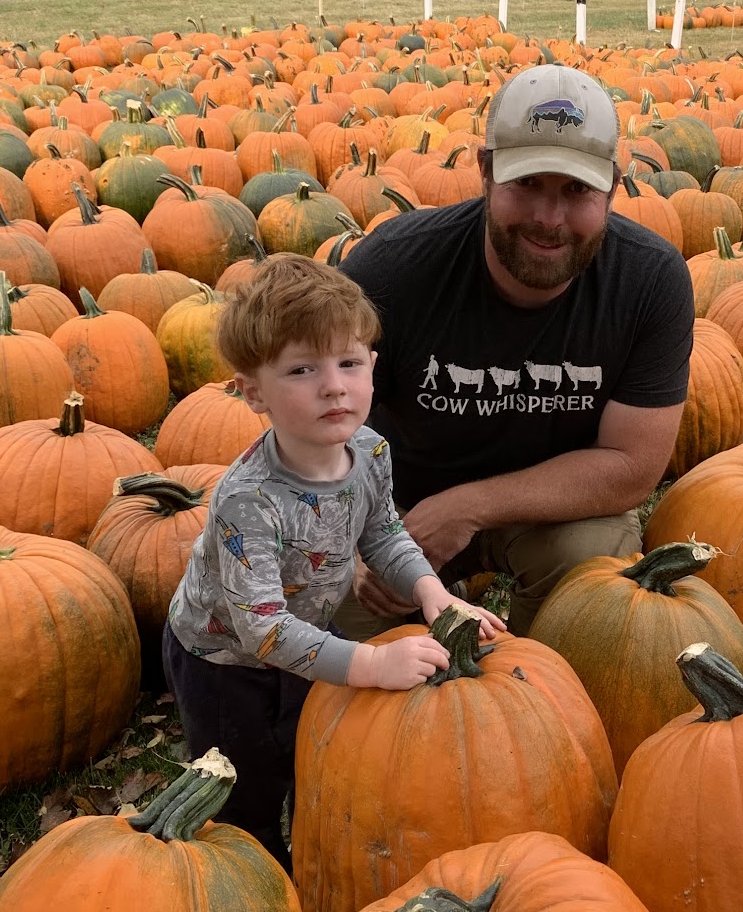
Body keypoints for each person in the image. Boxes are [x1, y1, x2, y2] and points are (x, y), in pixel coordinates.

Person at [162, 255, 503, 863]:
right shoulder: (250, 500)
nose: (333, 386)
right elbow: (261, 630)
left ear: (373, 367)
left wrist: (433, 593)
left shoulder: (369, 451)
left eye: (349, 362)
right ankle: (257, 874)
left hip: (309, 635)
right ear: (252, 392)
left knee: (309, 752)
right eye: (301, 369)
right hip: (225, 661)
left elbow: (385, 535)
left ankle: (309, 849)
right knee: (244, 789)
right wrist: (370, 664)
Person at [340, 63, 695, 633]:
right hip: (402, 513)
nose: (550, 219)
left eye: (576, 190)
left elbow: (632, 467)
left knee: (595, 565)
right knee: (332, 621)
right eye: (527, 183)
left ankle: (538, 680)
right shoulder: (391, 270)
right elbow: (317, 420)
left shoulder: (651, 281)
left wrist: (468, 507)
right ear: (485, 171)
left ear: (611, 183)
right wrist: (357, 532)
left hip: (554, 512)